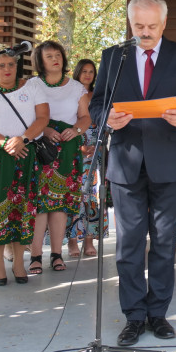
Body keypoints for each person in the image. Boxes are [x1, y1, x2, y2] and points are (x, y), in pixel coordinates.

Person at [89, 0, 176, 346]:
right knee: (128, 244)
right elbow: (97, 102)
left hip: (169, 163)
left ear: (164, 23)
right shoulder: (113, 56)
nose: (145, 33)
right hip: (125, 163)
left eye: (151, 27)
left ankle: (158, 313)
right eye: (138, 26)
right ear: (130, 23)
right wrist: (105, 117)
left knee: (164, 242)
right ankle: (134, 316)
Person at [0, 44, 49, 285]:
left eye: (11, 65)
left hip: (26, 155)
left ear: (17, 66)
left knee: (23, 210)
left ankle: (18, 263)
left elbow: (43, 118)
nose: (6, 69)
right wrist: (5, 143)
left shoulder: (33, 86)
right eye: (1, 65)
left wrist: (21, 139)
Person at [28, 41, 90, 275]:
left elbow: (85, 118)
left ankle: (56, 254)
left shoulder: (76, 87)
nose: (55, 59)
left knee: (60, 205)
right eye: (49, 56)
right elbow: (26, 116)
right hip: (41, 150)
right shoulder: (31, 85)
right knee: (39, 205)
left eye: (58, 55)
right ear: (39, 61)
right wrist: (43, 130)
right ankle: (35, 255)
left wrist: (76, 130)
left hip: (68, 150)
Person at [67, 58, 103, 258]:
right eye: (84, 71)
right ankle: (72, 241)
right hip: (73, 147)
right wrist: (80, 146)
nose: (88, 75)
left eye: (91, 71)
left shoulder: (97, 95)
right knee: (74, 194)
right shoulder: (70, 94)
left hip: (95, 149)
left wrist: (95, 146)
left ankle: (89, 238)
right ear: (78, 72)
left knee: (91, 195)